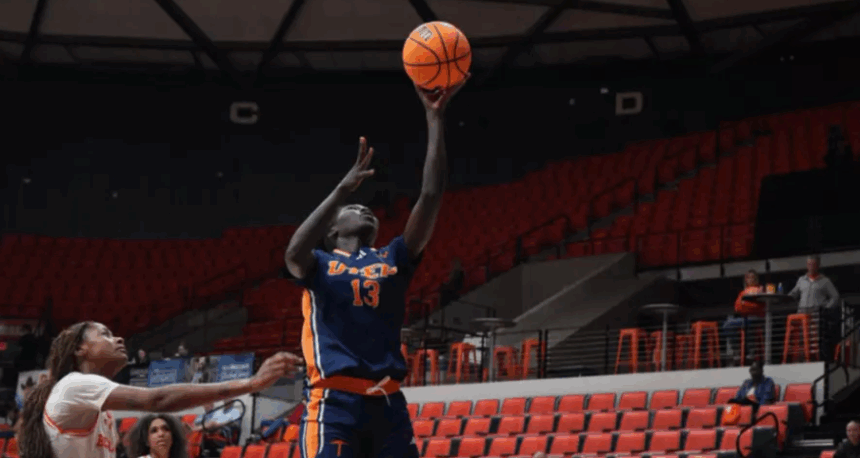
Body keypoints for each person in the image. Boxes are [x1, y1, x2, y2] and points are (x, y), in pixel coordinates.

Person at [284, 76, 467, 458]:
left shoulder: (393, 257)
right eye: (352, 208)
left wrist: (435, 120)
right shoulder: (319, 263)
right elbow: (292, 253)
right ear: (331, 230)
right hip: (334, 403)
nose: (363, 208)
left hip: (388, 405)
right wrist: (341, 191)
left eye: (366, 207)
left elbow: (431, 195)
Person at [18, 321, 301, 458]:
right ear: (80, 349)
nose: (118, 338)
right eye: (104, 334)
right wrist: (251, 383)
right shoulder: (75, 384)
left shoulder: (98, 411)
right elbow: (158, 398)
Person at [789, 255, 841, 360]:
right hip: (802, 315)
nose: (811, 266)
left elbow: (835, 297)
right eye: (809, 264)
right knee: (802, 339)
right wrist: (784, 297)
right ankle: (802, 359)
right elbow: (794, 293)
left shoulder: (825, 281)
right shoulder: (801, 280)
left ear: (818, 265)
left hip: (816, 315)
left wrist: (826, 308)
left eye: (813, 264)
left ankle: (815, 359)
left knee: (815, 340)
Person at [723, 270, 765, 365]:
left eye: (752, 277)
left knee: (745, 323)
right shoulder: (743, 292)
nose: (750, 279)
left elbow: (758, 307)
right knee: (727, 324)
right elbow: (737, 307)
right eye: (748, 277)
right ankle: (736, 351)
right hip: (745, 318)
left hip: (756, 318)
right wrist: (746, 306)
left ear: (756, 279)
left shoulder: (760, 290)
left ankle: (752, 352)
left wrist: (745, 305)